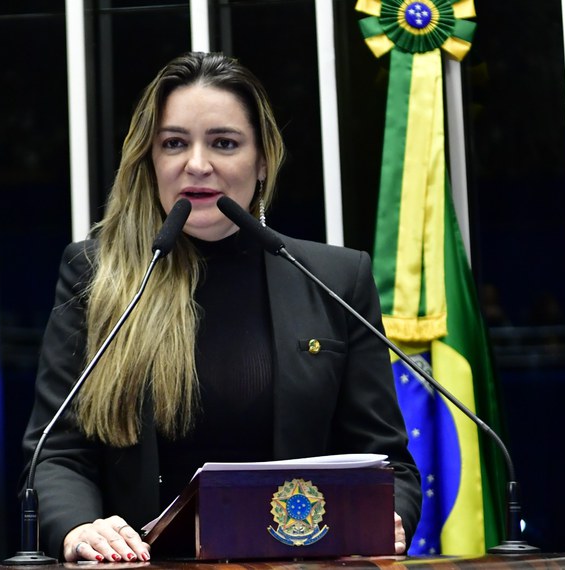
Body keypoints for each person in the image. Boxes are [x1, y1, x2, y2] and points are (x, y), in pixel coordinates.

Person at [21, 51, 422, 563]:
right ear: (150, 160)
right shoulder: (97, 274)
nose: (196, 164)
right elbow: (55, 452)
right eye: (173, 143)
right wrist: (79, 528)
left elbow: (388, 463)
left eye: (224, 143)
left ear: (262, 162)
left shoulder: (335, 278)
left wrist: (387, 516)